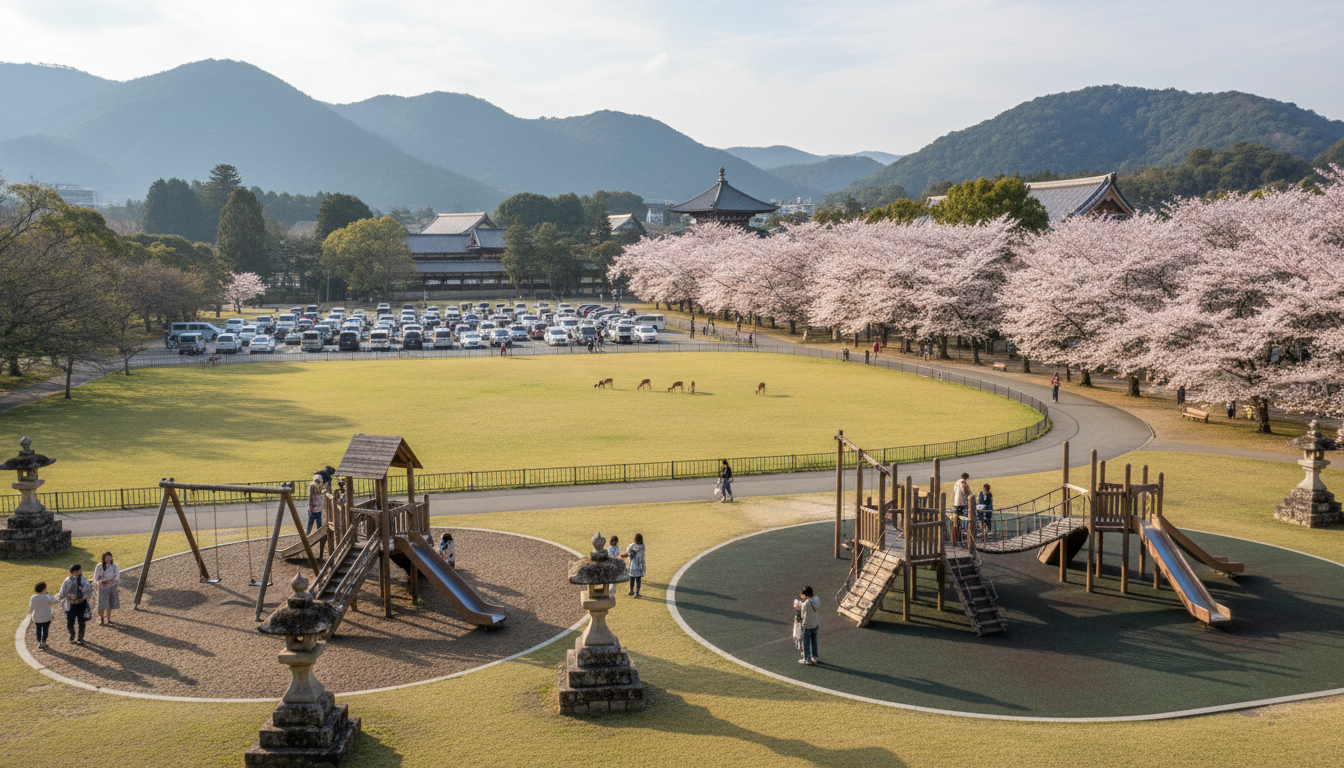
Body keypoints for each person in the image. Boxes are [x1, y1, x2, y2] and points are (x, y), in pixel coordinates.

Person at [58, 564, 92, 645]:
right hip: (71, 605)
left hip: (81, 604)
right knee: (70, 622)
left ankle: (80, 638)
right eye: (77, 572)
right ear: (72, 572)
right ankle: (72, 635)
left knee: (81, 621)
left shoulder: (83, 580)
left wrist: (81, 599)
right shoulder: (67, 580)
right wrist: (70, 599)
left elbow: (88, 591)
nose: (79, 573)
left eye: (80, 571)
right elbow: (63, 592)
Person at [29, 582, 60, 651]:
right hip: (46, 616)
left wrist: (30, 615)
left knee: (38, 629)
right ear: (43, 589)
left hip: (37, 617)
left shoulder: (33, 597)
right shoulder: (47, 596)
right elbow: (55, 601)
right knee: (45, 629)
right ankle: (43, 641)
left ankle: (40, 642)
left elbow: (31, 607)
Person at [93, 551, 120, 626]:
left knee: (110, 604)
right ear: (104, 558)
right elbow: (95, 578)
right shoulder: (99, 566)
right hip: (102, 588)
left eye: (109, 557)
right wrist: (100, 582)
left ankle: (108, 619)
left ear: (111, 558)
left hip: (111, 587)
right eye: (106, 558)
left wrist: (109, 581)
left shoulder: (115, 566)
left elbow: (117, 578)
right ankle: (102, 619)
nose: (108, 559)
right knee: (101, 605)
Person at [798, 586, 820, 664]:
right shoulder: (817, 599)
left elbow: (802, 615)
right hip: (815, 623)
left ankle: (807, 659)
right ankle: (815, 656)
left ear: (804, 594)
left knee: (806, 642)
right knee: (814, 641)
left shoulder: (805, 604)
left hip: (807, 625)